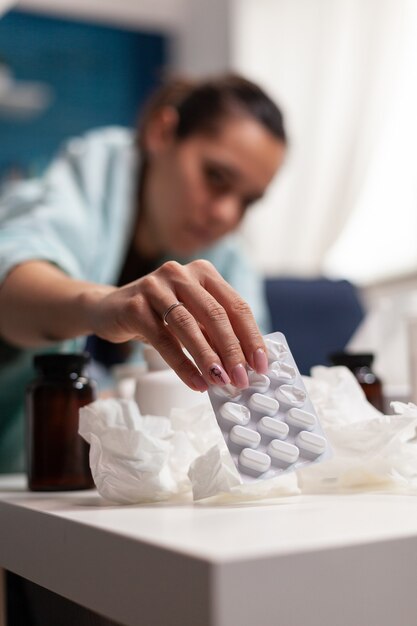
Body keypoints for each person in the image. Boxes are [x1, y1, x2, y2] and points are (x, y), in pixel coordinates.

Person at [0, 73, 287, 474]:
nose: (227, 213)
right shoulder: (82, 182)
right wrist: (102, 306)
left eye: (248, 201)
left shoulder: (227, 256)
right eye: (216, 177)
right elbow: (11, 284)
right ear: (162, 132)